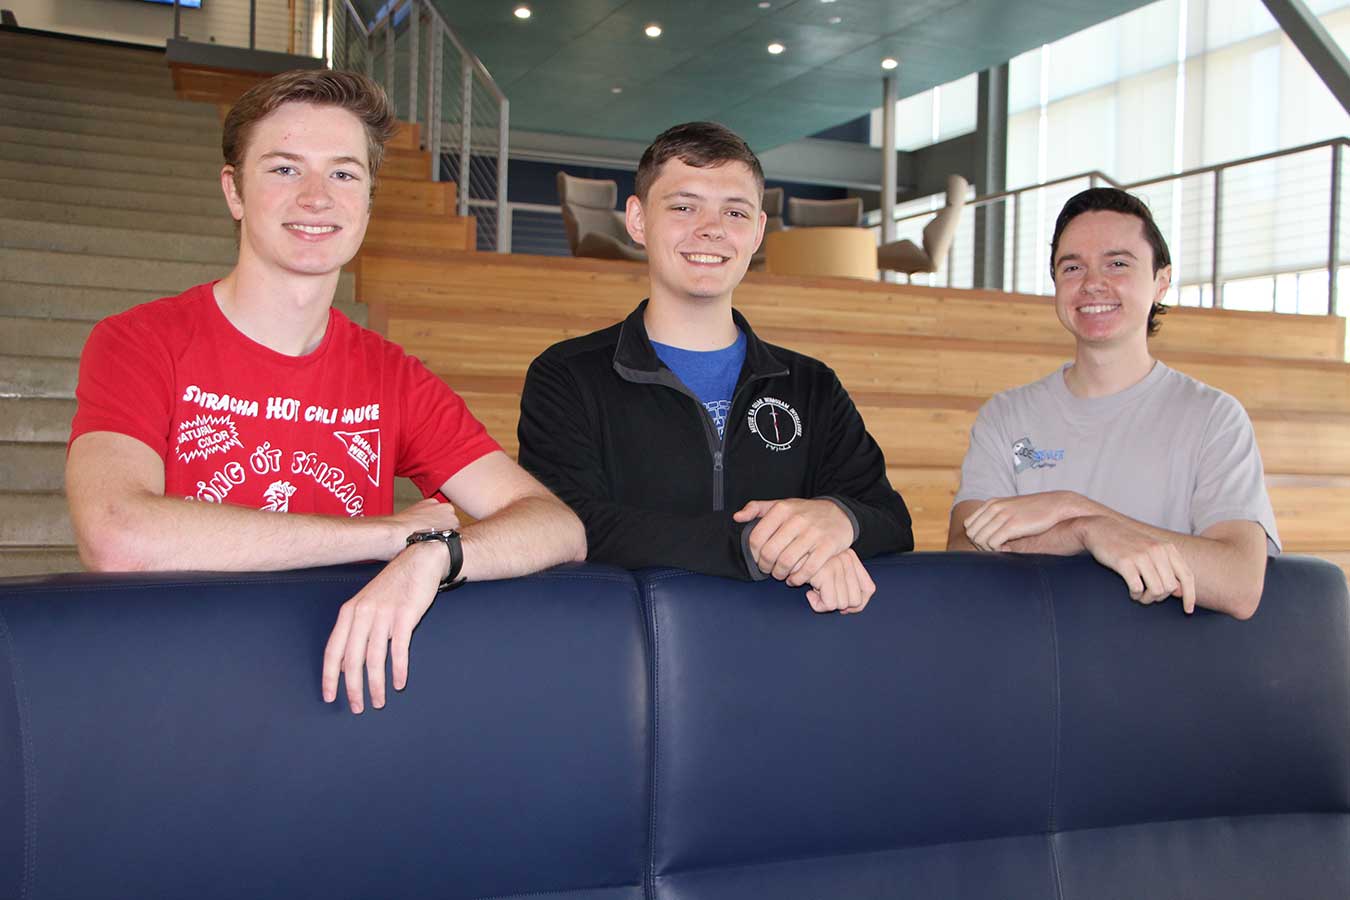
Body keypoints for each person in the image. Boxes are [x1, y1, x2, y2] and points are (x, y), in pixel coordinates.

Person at [65, 70, 585, 714]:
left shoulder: (393, 375)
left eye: (343, 174)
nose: (316, 197)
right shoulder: (141, 342)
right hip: (175, 695)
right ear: (235, 190)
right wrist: (384, 535)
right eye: (284, 169)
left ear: (368, 200)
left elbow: (556, 526)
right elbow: (118, 535)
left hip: (337, 697)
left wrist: (436, 558)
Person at [517, 122, 912, 615]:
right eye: (683, 207)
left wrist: (837, 520)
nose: (712, 228)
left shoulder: (810, 385)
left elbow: (890, 517)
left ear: (758, 232)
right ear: (638, 220)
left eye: (735, 212)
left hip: (783, 656)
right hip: (624, 659)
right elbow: (571, 524)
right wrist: (760, 544)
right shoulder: (568, 376)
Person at [947, 187, 1279, 619]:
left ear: (1162, 281)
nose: (1092, 283)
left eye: (1117, 263)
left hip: (1166, 668)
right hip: (1037, 660)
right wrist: (1085, 532)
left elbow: (1238, 582)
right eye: (1072, 267)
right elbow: (963, 549)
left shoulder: (1214, 417)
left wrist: (1073, 506)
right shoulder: (1007, 416)